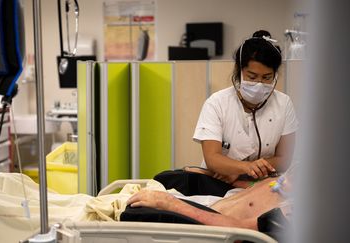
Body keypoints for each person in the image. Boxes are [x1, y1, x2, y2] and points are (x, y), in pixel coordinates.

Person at [192, 30, 298, 185]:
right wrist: (243, 168)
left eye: (267, 77)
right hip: (219, 184)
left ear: (275, 76)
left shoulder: (284, 104)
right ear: (239, 72)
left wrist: (246, 170)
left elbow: (285, 158)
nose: (259, 84)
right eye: (252, 77)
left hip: (263, 185)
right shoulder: (217, 103)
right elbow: (212, 158)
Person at [126, 170, 293, 239]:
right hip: (216, 203)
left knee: (133, 211)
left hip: (214, 228)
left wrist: (170, 203)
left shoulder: (297, 211)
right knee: (170, 178)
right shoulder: (298, 175)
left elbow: (242, 230)